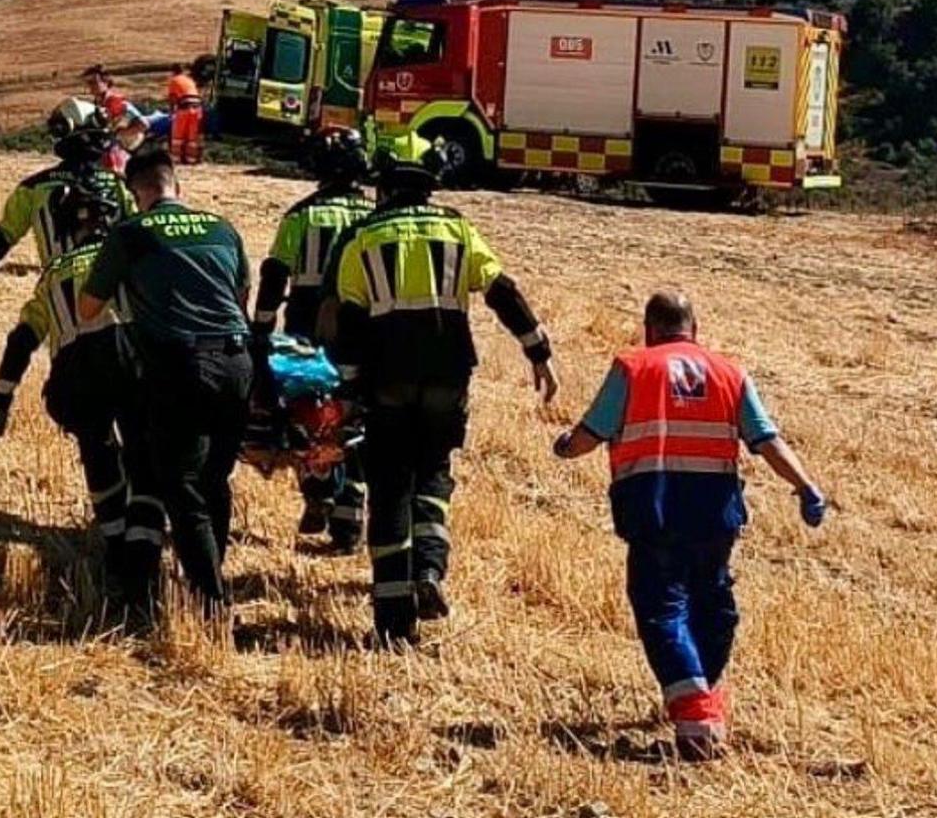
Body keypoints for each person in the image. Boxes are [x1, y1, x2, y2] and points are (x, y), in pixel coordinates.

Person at [550, 291, 828, 761]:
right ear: (694, 329)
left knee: (661, 606)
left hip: (653, 505)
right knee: (712, 603)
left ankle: (696, 712)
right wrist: (806, 486)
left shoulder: (633, 367)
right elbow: (767, 439)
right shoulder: (731, 373)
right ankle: (701, 691)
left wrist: (564, 447)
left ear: (649, 328)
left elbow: (592, 433)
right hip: (714, 510)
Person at [331, 135, 558, 645]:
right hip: (448, 374)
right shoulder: (458, 228)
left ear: (384, 183)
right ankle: (429, 572)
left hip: (386, 377)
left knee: (389, 485)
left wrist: (344, 391)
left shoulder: (363, 239)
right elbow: (502, 291)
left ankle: (393, 619)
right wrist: (538, 351)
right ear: (432, 183)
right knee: (432, 472)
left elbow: (349, 324)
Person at [76, 148, 253, 623]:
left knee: (181, 487)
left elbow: (88, 309)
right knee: (216, 479)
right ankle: (213, 572)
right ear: (177, 185)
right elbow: (240, 296)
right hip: (238, 363)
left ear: (137, 193)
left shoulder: (130, 233)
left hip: (180, 365)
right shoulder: (222, 228)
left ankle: (211, 605)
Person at [0, 184, 134, 589]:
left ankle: (114, 542)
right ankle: (144, 542)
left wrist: (1, 398)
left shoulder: (52, 274)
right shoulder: (130, 257)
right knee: (143, 452)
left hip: (75, 376)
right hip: (129, 363)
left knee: (97, 453)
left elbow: (21, 341)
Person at [252, 129, 373, 551]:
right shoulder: (375, 215)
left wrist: (261, 330)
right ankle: (349, 520)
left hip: (306, 325)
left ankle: (317, 492)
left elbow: (274, 274)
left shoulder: (301, 216)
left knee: (309, 415)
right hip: (362, 326)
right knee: (355, 417)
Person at [0, 98, 136, 330]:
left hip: (63, 309)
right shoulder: (120, 186)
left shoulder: (34, 189)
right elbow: (144, 238)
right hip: (118, 304)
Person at [165, 63, 205, 164]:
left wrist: (171, 113)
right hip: (197, 109)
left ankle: (176, 159)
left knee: (178, 136)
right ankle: (191, 159)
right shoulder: (189, 80)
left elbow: (172, 99)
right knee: (192, 136)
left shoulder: (174, 80)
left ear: (173, 72)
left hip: (184, 108)